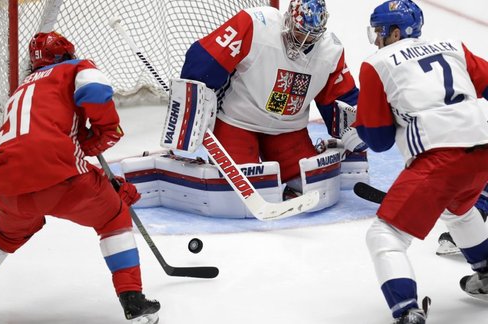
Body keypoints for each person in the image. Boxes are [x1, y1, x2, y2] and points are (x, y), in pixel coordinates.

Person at [0, 31, 160, 323]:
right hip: (62, 180)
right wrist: (105, 129)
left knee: (2, 235)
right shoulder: (75, 68)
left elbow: (36, 151)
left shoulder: (20, 89)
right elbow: (96, 90)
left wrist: (98, 172)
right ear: (67, 53)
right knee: (113, 216)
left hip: (8, 187)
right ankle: (133, 300)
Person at [355, 1, 488, 323]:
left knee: (384, 235)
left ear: (395, 31)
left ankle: (406, 312)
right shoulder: (454, 45)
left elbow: (378, 140)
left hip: (440, 157)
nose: (375, 39)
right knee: (458, 209)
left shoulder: (377, 63)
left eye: (379, 31)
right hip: (483, 148)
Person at [177, 0, 367, 208]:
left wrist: (358, 127)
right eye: (300, 32)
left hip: (288, 129)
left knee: (309, 184)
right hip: (238, 121)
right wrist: (194, 96)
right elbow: (207, 57)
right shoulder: (256, 23)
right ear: (288, 19)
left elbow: (341, 97)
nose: (303, 41)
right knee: (240, 188)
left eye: (311, 36)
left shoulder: (331, 51)